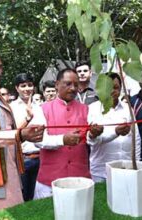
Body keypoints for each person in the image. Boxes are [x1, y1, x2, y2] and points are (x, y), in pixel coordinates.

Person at [0, 49, 44, 211]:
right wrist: (19, 135)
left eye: (0, 66)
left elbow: (10, 131)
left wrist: (25, 133)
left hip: (11, 171)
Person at [30, 68, 103, 199]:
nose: (73, 88)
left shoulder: (86, 109)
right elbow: (38, 140)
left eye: (76, 84)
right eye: (68, 84)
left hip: (80, 178)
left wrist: (94, 134)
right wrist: (62, 140)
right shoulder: (42, 109)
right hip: (49, 180)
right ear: (57, 84)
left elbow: (93, 141)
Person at [89, 73, 141, 182]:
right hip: (100, 172)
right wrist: (115, 132)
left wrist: (136, 163)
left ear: (121, 88)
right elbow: (93, 141)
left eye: (116, 87)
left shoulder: (128, 109)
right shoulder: (93, 109)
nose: (112, 91)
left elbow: (136, 138)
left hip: (126, 168)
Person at [9, 73, 40, 201]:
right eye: (23, 86)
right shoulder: (11, 108)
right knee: (24, 197)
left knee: (38, 198)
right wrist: (28, 119)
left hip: (41, 157)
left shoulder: (40, 107)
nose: (27, 88)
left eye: (30, 85)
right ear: (17, 88)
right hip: (22, 159)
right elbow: (12, 133)